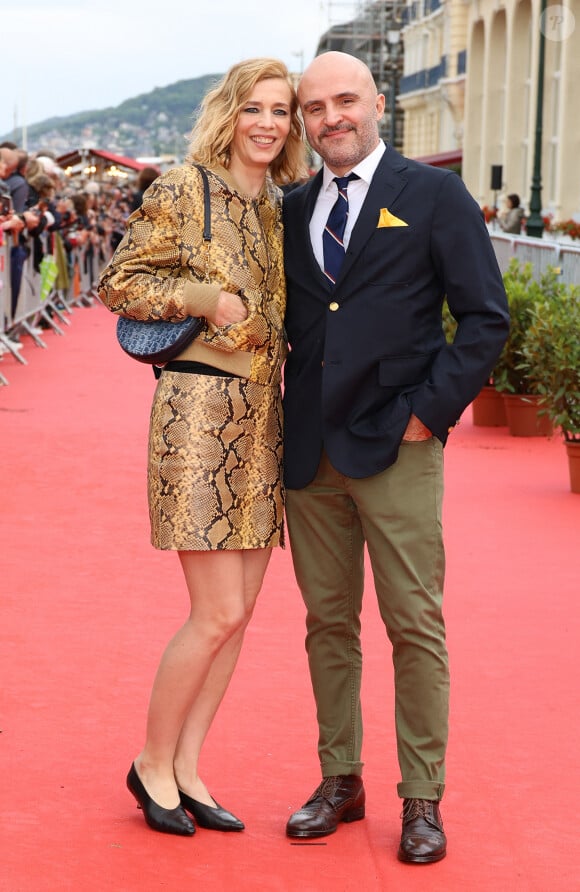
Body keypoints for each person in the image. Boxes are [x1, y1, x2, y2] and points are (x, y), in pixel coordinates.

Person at [281, 51, 509, 864]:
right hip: (309, 454)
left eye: (345, 100)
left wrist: (426, 415)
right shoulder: (292, 207)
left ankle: (422, 797)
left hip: (399, 448)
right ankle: (340, 779)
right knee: (326, 626)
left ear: (377, 103)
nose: (330, 117)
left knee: (415, 624)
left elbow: (485, 319)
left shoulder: (435, 196)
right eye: (314, 107)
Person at [98, 57, 305, 837]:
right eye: (254, 107)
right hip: (197, 413)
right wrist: (203, 299)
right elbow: (119, 281)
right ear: (229, 112)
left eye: (281, 111)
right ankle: (151, 762)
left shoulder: (278, 204)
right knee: (215, 610)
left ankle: (187, 766)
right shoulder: (185, 189)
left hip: (261, 417)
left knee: (242, 610)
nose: (268, 123)